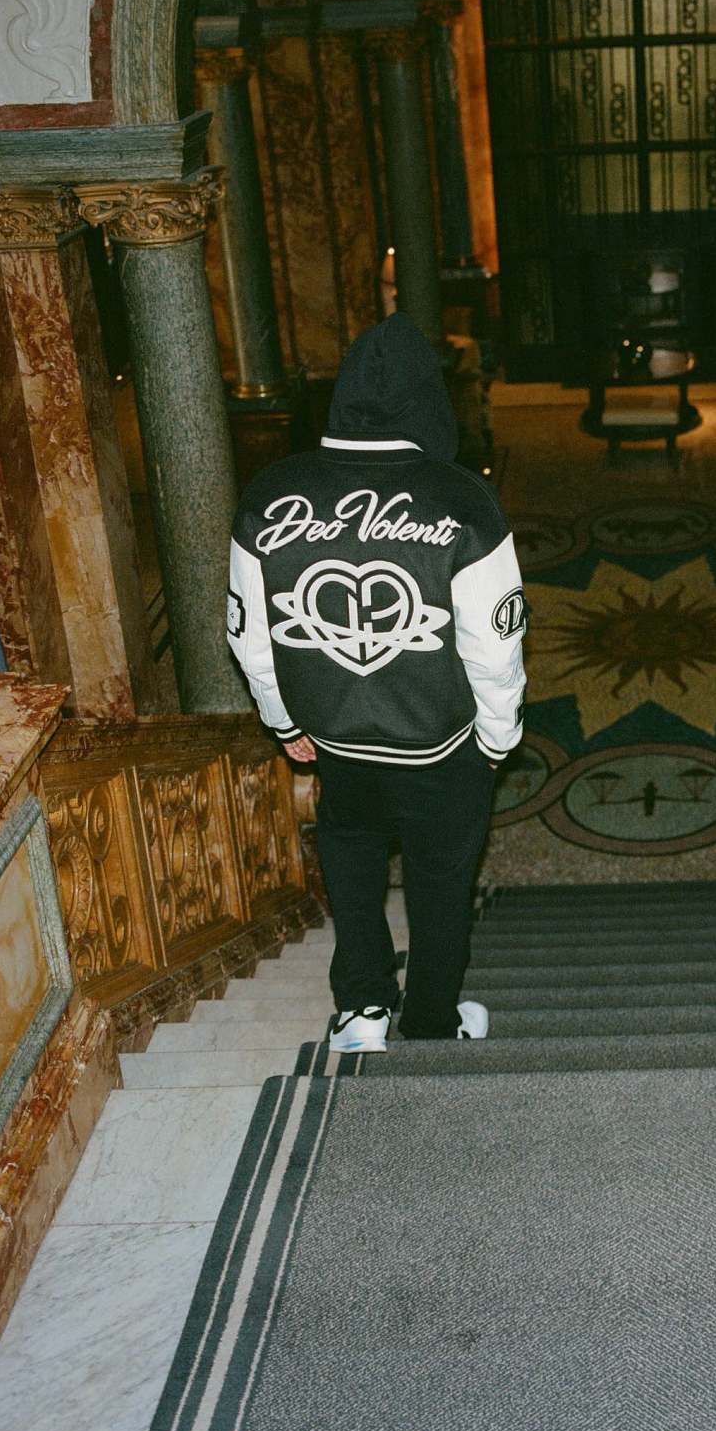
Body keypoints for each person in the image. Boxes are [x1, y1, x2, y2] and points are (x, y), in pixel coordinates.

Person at [227, 312, 527, 1055]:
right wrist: (497, 737)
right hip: (440, 741)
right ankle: (430, 1018)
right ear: (430, 402)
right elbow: (494, 646)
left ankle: (361, 1009)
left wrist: (284, 722)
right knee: (441, 877)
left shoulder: (270, 493)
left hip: (336, 740)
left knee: (353, 860)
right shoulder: (463, 500)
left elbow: (250, 637)